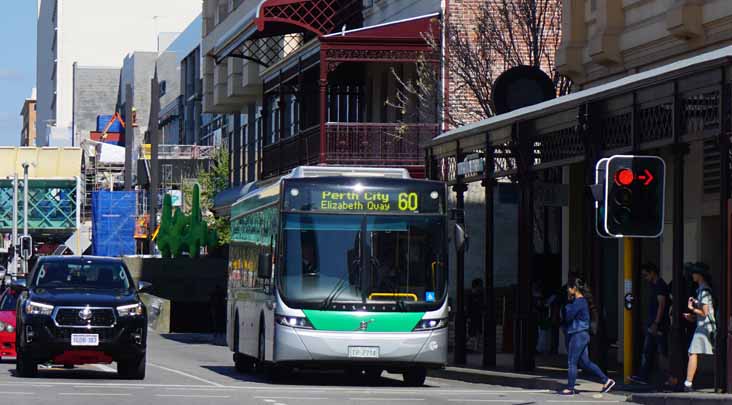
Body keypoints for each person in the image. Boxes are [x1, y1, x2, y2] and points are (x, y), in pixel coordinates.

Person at [560, 277, 615, 395]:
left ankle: (570, 388)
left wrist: (567, 305)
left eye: (569, 289)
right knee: (585, 362)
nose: (567, 291)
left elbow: (568, 316)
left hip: (577, 334)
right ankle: (607, 380)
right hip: (582, 334)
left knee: (572, 361)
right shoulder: (582, 301)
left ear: (574, 289)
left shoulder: (578, 302)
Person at [629, 263, 669, 385]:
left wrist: (656, 322)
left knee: (661, 351)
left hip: (657, 324)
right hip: (653, 323)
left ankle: (669, 376)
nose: (645, 278)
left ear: (652, 272)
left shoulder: (660, 286)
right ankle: (644, 376)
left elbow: (661, 305)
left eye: (646, 275)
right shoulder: (654, 285)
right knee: (648, 350)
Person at [682, 262, 716, 392]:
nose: (692, 275)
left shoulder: (704, 290)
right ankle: (688, 383)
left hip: (704, 329)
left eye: (694, 273)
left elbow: (705, 312)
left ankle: (688, 383)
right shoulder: (702, 289)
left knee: (692, 352)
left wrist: (692, 309)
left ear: (700, 275)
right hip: (703, 326)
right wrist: (693, 316)